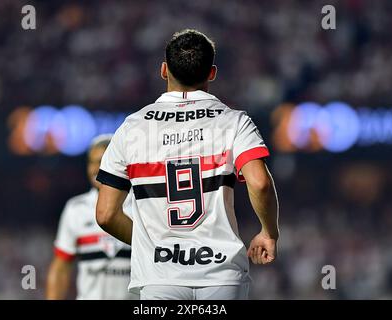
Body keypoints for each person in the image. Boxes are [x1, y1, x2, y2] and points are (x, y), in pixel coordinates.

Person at [95, 29, 279, 300]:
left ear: (163, 70)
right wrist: (268, 232)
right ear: (212, 73)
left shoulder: (132, 127)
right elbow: (260, 183)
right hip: (222, 275)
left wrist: (152, 246)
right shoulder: (234, 121)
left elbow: (106, 214)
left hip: (160, 277)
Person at [46, 134, 136, 300]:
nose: (96, 168)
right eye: (92, 162)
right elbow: (60, 268)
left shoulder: (140, 205)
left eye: (102, 161)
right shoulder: (75, 209)